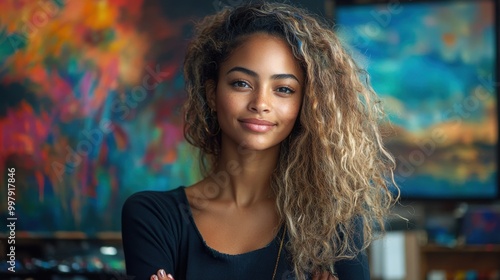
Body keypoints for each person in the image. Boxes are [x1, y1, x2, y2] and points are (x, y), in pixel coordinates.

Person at [121, 2, 398, 280]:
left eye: (284, 89)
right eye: (241, 83)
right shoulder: (153, 216)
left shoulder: (336, 224)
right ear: (212, 94)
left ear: (306, 105)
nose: (261, 103)